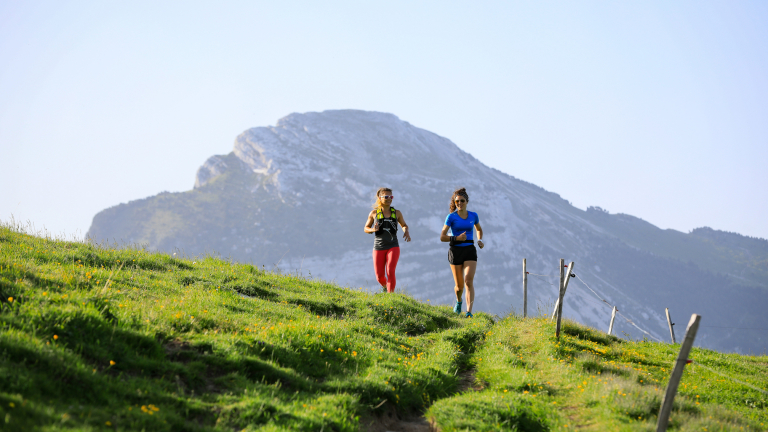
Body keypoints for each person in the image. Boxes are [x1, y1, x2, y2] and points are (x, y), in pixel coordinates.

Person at [440, 187, 484, 317]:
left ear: (467, 201)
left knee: (468, 281)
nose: (459, 203)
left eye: (462, 201)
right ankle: (458, 301)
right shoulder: (451, 217)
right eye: (457, 201)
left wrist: (480, 239)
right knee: (459, 287)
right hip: (455, 250)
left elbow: (479, 229)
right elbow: (442, 237)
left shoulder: (473, 215)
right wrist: (457, 238)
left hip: (470, 249)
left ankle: (469, 311)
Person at [364, 188, 411, 293]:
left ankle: (391, 297)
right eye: (386, 197)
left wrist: (406, 231)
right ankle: (385, 287)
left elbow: (403, 225)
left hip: (393, 246)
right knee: (380, 276)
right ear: (380, 198)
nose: (389, 199)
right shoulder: (374, 213)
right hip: (378, 247)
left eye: (391, 197)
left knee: (390, 270)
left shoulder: (397, 213)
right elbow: (366, 228)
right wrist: (372, 229)